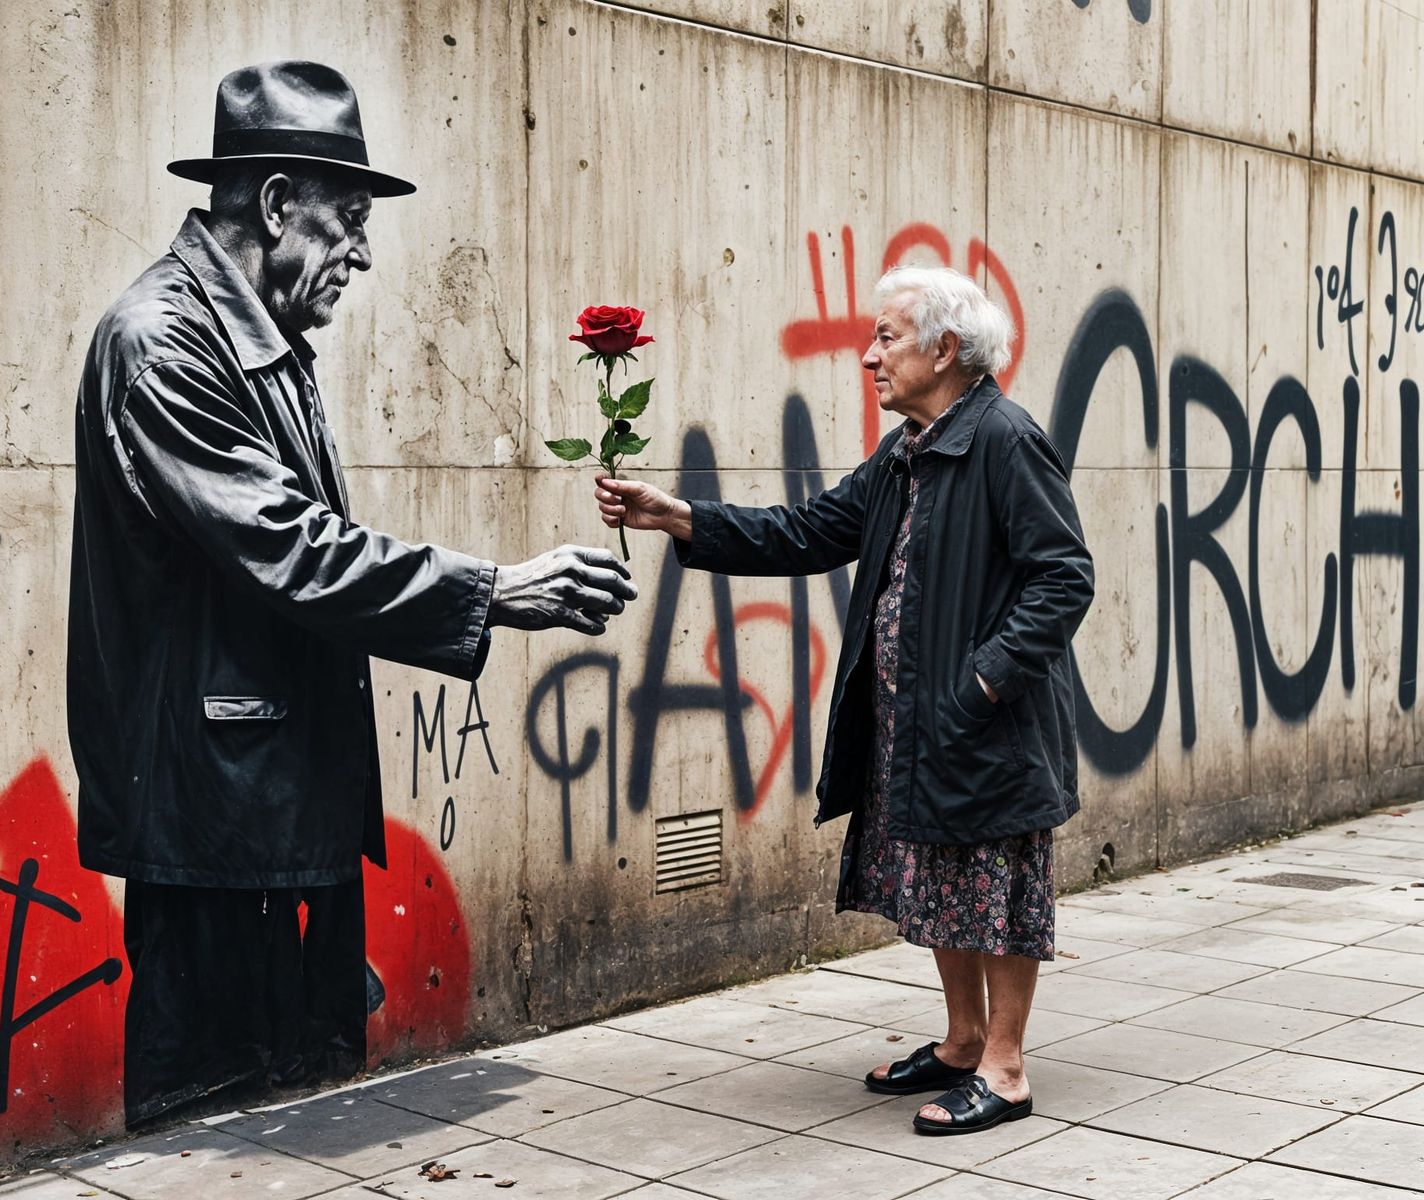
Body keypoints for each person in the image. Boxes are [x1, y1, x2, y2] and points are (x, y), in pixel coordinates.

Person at [67, 60, 636, 1129]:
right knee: (219, 1111)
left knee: (306, 1092)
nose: (364, 253)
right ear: (278, 202)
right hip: (218, 821)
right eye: (349, 220)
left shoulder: (262, 337)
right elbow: (291, 548)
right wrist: (496, 590)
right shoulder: (165, 342)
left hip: (273, 798)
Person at [596, 266, 1093, 1136]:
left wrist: (982, 677)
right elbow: (811, 531)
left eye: (887, 338)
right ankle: (963, 1042)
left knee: (1000, 887)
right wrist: (678, 516)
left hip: (989, 720)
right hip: (921, 725)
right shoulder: (907, 454)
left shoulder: (1004, 439)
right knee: (945, 882)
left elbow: (1064, 577)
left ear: (946, 350)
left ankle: (1007, 1072)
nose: (869, 356)